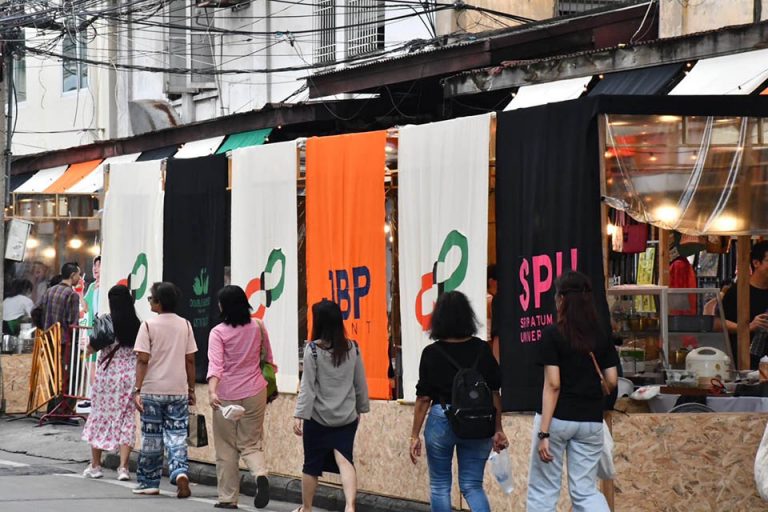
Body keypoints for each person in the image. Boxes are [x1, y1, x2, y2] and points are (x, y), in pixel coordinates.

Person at [527, 271, 618, 512]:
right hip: (590, 421)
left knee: (543, 491)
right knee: (585, 491)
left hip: (557, 419)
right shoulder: (601, 334)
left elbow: (553, 384)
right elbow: (611, 380)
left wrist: (544, 432)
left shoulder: (552, 334)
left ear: (561, 299)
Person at [409, 290, 507, 512]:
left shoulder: (431, 353)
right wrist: (498, 428)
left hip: (442, 419)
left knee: (440, 486)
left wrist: (414, 434)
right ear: (467, 317)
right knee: (473, 486)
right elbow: (494, 392)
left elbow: (424, 398)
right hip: (479, 420)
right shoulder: (482, 349)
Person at [293, 299, 370, 512]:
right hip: (347, 417)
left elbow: (308, 387)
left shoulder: (313, 350)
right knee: (345, 459)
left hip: (317, 418)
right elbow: (360, 383)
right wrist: (361, 408)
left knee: (311, 465)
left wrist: (299, 415)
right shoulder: (353, 348)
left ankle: (306, 508)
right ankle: (350, 506)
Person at [207, 285, 276, 509]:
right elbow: (268, 358)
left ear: (223, 306)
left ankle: (228, 498)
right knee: (251, 443)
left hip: (226, 395)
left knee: (226, 447)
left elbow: (216, 366)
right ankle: (260, 474)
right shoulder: (258, 326)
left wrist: (212, 391)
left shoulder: (218, 332)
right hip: (255, 391)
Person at [132, 282, 198, 498]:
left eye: (151, 298)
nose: (150, 302)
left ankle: (149, 482)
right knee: (177, 436)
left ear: (159, 302)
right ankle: (180, 473)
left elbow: (142, 360)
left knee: (152, 438)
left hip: (152, 389)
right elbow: (190, 360)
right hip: (177, 390)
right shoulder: (185, 325)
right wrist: (191, 389)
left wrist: (137, 389)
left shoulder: (148, 326)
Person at [81, 285, 140, 481]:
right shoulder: (137, 324)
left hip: (107, 377)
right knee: (126, 420)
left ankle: (96, 465)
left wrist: (87, 348)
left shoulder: (106, 321)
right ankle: (123, 468)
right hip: (129, 377)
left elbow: (90, 349)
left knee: (99, 416)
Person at [719, 241, 768, 369]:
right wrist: (748, 327)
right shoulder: (737, 291)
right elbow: (718, 323)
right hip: (742, 363)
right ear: (756, 263)